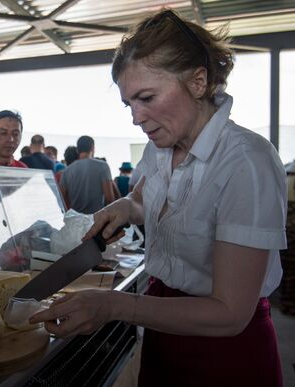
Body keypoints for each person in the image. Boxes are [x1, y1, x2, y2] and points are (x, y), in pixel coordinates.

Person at [31, 9, 286, 387]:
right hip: (161, 331)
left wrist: (115, 305)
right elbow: (145, 202)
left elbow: (230, 313)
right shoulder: (161, 147)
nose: (136, 117)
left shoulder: (247, 161)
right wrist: (124, 207)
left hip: (224, 353)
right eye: (129, 103)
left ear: (198, 82)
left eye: (146, 97)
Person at [59, 135, 116, 214]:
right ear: (92, 147)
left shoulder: (67, 171)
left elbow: (61, 199)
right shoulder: (102, 166)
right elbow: (109, 198)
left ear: (78, 150)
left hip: (76, 219)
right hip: (97, 219)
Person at [280, 160, 295, 315]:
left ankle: (287, 303)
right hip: (291, 231)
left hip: (286, 231)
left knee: (288, 271)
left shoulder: (286, 173)